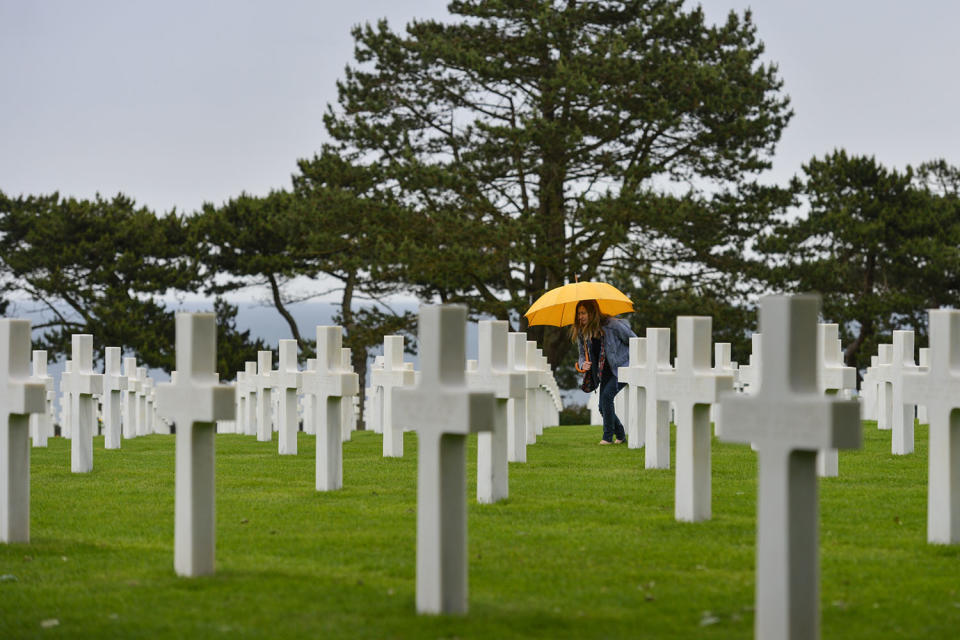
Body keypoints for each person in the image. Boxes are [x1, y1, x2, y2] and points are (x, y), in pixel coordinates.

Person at [571, 299, 636, 445]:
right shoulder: (583, 332)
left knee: (607, 397)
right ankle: (620, 435)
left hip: (622, 367)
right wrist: (584, 363)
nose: (580, 317)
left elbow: (634, 340)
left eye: (583, 313)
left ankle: (607, 438)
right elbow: (582, 354)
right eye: (578, 313)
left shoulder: (613, 325)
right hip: (604, 372)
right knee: (602, 406)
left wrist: (631, 361)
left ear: (592, 313)